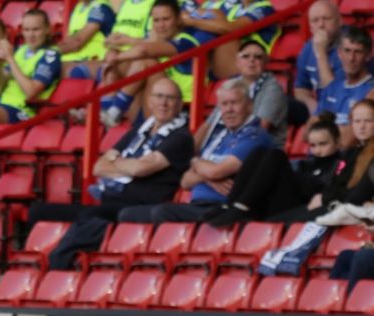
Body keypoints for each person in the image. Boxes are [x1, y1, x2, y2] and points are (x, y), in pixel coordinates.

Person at [31, 77, 193, 269]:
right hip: (110, 200)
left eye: (170, 98)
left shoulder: (180, 137)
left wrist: (118, 162)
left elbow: (140, 169)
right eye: (159, 96)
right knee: (37, 210)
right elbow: (98, 167)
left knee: (93, 215)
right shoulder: (139, 131)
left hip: (139, 205)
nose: (164, 103)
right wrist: (129, 165)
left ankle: (58, 265)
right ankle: (31, 266)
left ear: (179, 104)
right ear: (149, 100)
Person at [119, 77, 274, 223]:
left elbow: (216, 172)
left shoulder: (255, 136)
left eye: (234, 103)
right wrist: (206, 177)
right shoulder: (218, 136)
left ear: (249, 105)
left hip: (223, 208)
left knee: (161, 213)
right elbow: (185, 181)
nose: (229, 110)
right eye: (224, 104)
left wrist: (197, 164)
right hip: (199, 206)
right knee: (126, 214)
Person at [207, 112, 344, 227]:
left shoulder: (339, 165)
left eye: (323, 144)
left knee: (276, 155)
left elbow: (316, 191)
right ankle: (231, 205)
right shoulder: (304, 164)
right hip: (277, 204)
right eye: (313, 145)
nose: (317, 150)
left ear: (337, 143)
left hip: (298, 208)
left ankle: (241, 207)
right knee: (259, 152)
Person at [99, 0, 197, 127]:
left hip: (179, 106)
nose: (161, 25)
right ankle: (106, 109)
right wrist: (114, 62)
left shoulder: (186, 41)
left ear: (178, 19)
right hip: (154, 102)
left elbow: (144, 50)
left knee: (146, 61)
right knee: (122, 64)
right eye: (156, 20)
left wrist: (116, 59)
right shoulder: (158, 41)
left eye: (166, 19)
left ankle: (115, 109)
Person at [0, 8, 61, 126]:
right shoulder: (20, 50)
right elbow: (5, 77)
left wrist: (10, 59)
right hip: (1, 102)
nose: (31, 35)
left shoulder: (50, 55)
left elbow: (31, 91)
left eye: (36, 29)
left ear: (47, 29)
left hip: (23, 110)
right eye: (27, 30)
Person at [194, 39, 287, 148]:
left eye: (258, 57)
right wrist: (189, 155)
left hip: (256, 153)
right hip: (222, 148)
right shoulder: (231, 86)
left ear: (265, 62)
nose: (252, 60)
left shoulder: (273, 89)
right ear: (237, 62)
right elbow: (208, 125)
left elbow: (259, 129)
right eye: (246, 56)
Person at [180, 0, 280, 80]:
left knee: (223, 34)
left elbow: (229, 28)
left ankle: (186, 61)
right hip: (217, 60)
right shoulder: (227, 4)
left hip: (248, 63)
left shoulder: (264, 8)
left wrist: (191, 21)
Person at [314, 25, 373, 147]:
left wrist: (326, 126)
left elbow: (347, 140)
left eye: (358, 52)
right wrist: (340, 129)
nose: (351, 58)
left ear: (368, 55)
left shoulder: (371, 91)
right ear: (339, 53)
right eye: (347, 50)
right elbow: (309, 132)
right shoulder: (332, 88)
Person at [293, 0, 346, 118]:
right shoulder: (308, 47)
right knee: (286, 106)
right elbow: (300, 88)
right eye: (315, 20)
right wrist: (311, 104)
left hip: (344, 108)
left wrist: (321, 53)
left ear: (339, 21)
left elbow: (333, 93)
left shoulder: (349, 46)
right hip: (320, 108)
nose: (321, 25)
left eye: (326, 19)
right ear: (310, 27)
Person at [58, 0, 116, 77]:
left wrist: (45, 52)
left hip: (92, 60)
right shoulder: (78, 8)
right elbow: (68, 40)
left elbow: (76, 43)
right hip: (73, 60)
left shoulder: (100, 8)